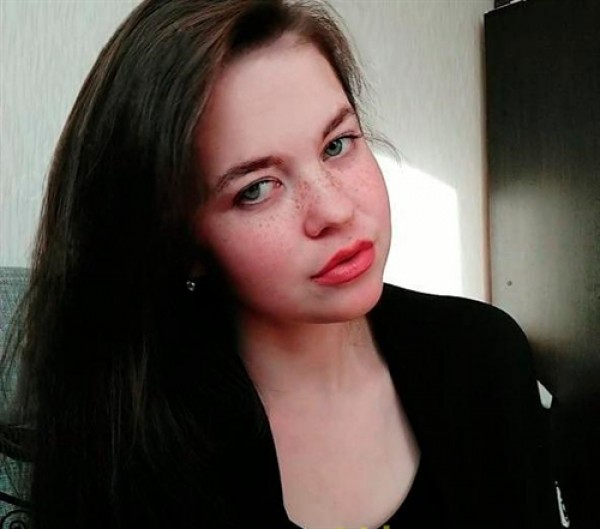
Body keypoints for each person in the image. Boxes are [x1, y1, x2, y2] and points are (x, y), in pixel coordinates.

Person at [0, 0, 561, 528]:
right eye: (256, 189)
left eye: (338, 144)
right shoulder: (134, 441)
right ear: (181, 240)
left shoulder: (486, 357)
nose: (334, 211)